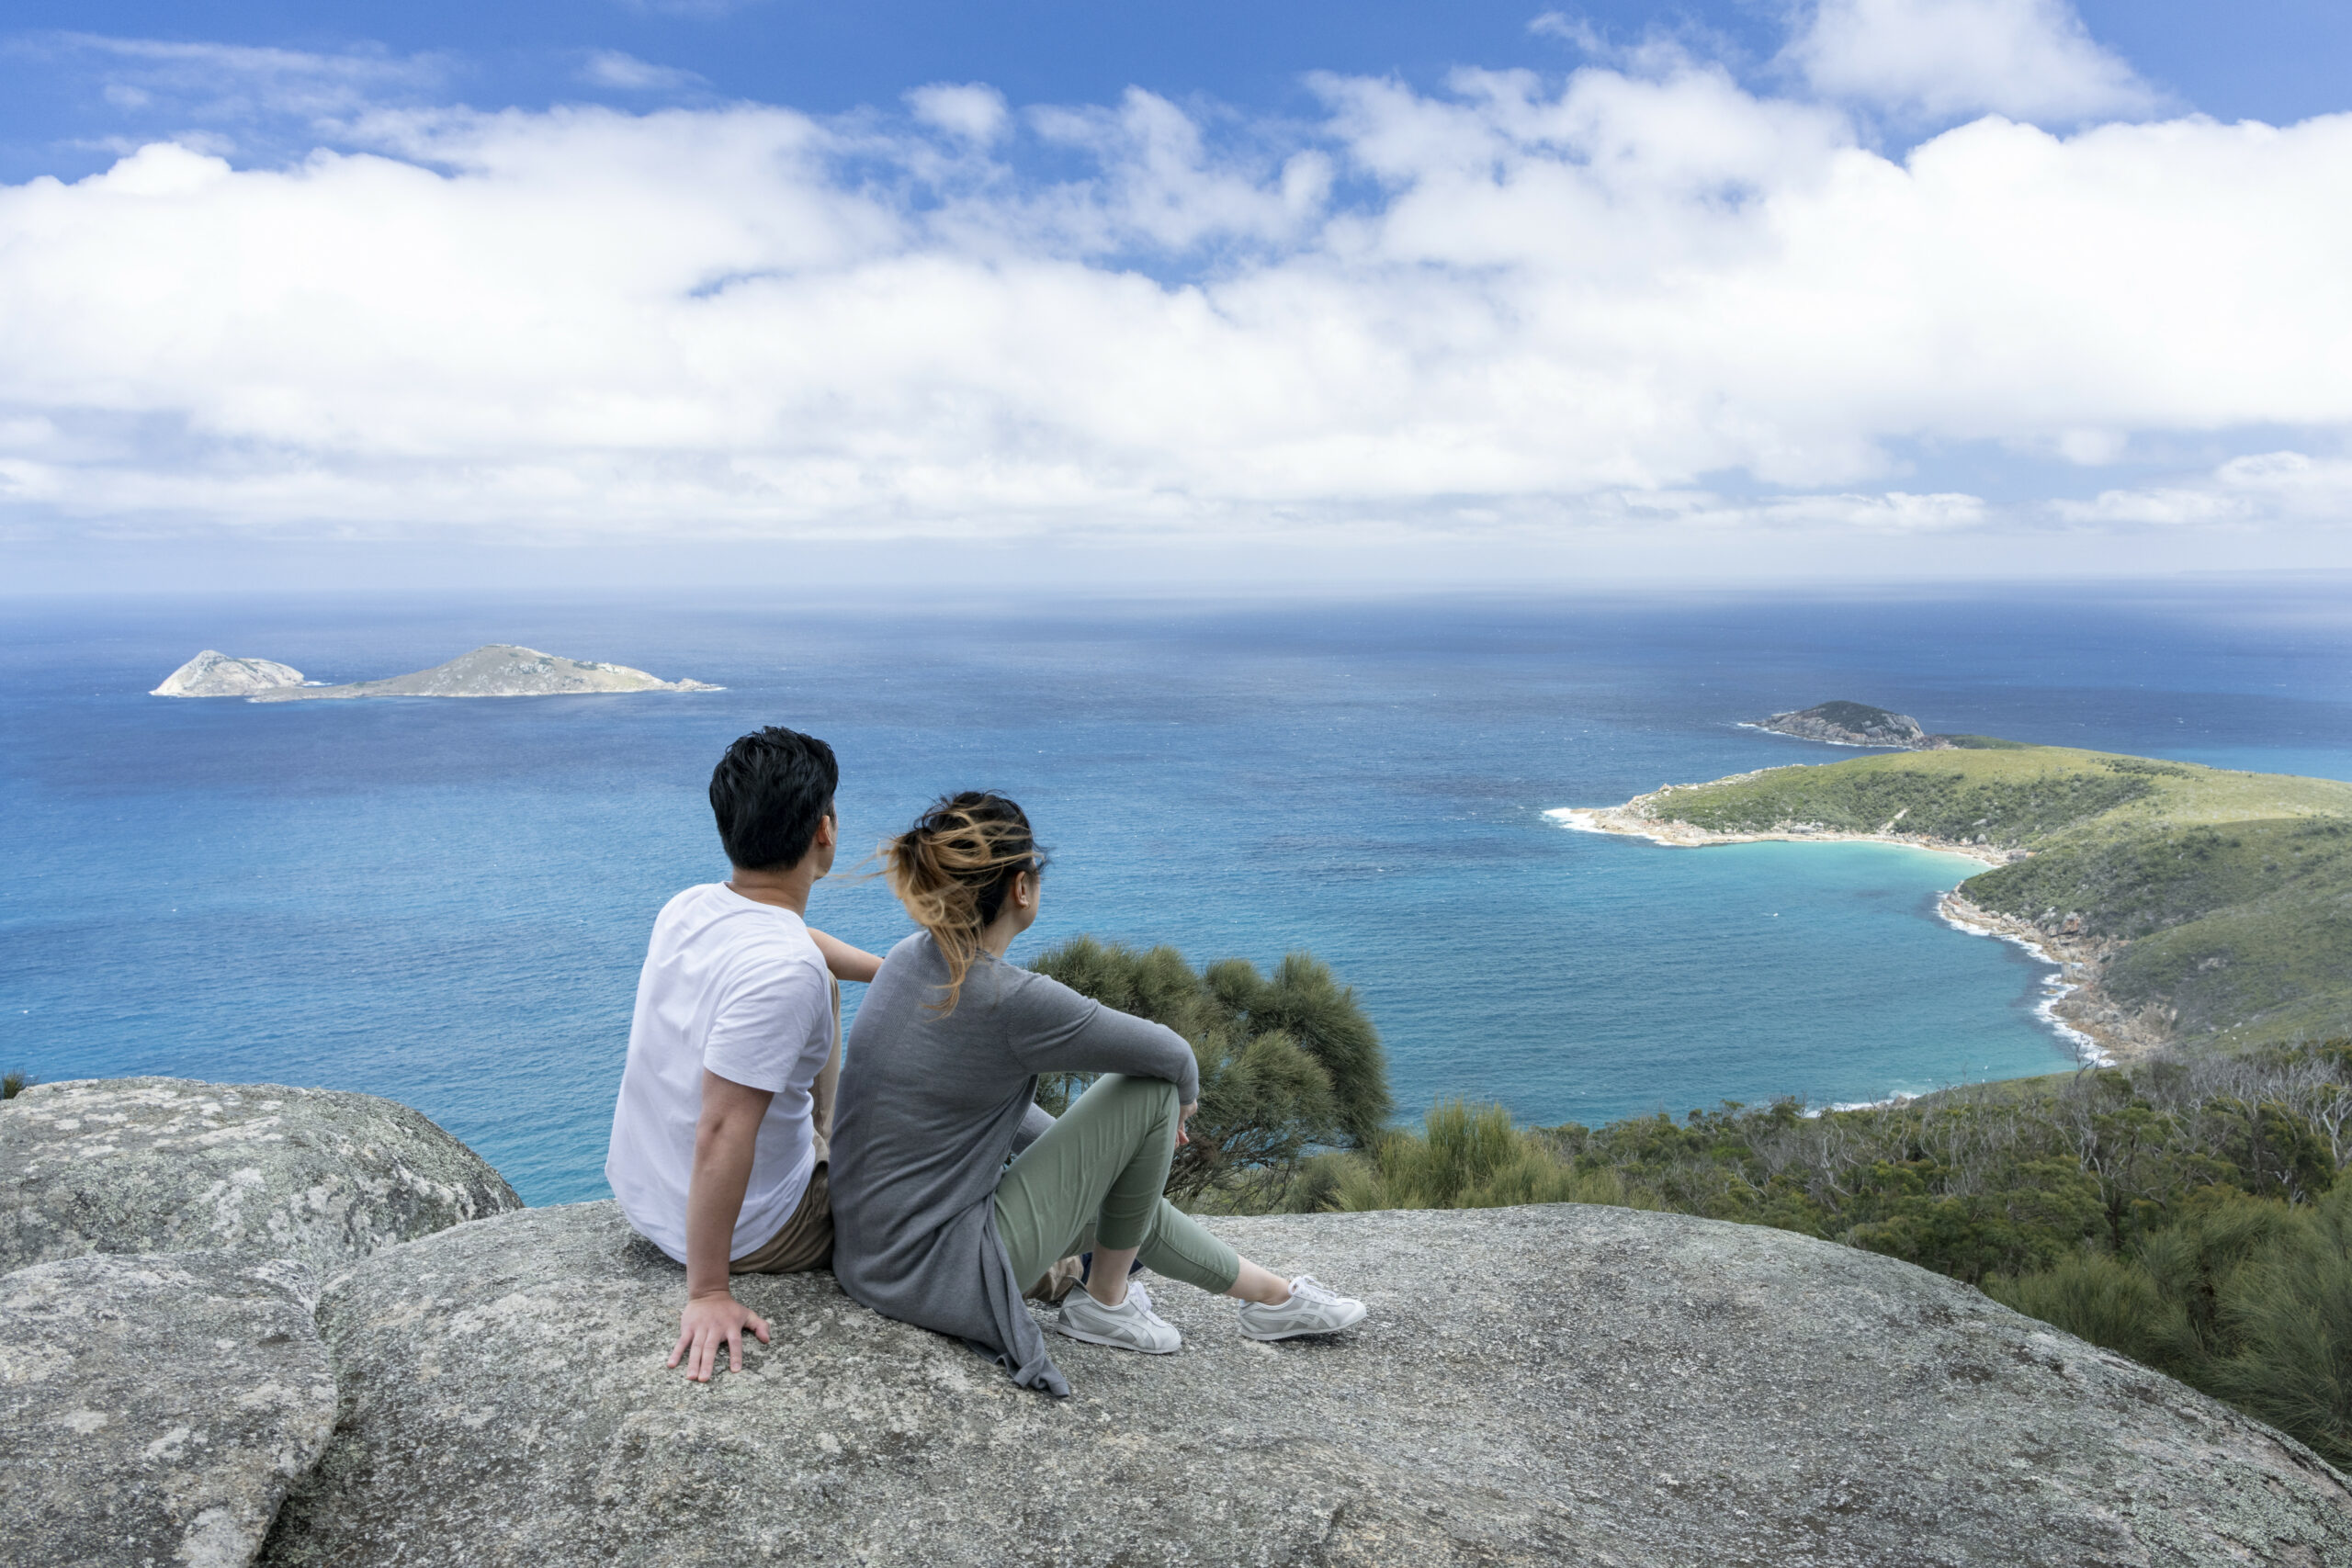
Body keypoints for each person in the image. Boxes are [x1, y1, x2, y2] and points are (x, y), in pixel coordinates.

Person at [829, 791, 1366, 1396]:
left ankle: (1273, 1298)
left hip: (873, 1257)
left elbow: (981, 1116)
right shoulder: (1009, 998)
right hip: (940, 1272)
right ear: (1021, 888)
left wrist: (1103, 1160)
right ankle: (1106, 1301)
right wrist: (1171, 1110)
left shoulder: (908, 960)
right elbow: (1172, 1056)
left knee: (1120, 1195)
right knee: (1152, 1092)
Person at [604, 726, 884, 1382]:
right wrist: (707, 1291)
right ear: (825, 830)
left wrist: (890, 969)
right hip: (760, 1229)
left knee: (824, 982)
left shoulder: (690, 906)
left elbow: (793, 936)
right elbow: (723, 1127)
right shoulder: (786, 971)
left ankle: (825, 1140)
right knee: (922, 1186)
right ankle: (1070, 1272)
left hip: (648, 1194)